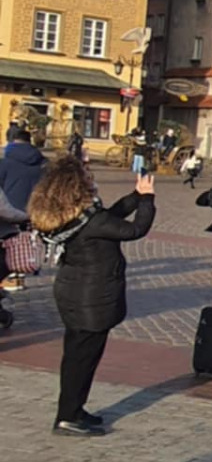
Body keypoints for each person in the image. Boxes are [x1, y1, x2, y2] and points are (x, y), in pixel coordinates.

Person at [29, 158, 156, 435]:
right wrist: (147, 200)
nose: (92, 180)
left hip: (73, 293)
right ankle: (67, 417)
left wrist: (135, 196)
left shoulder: (72, 216)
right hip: (91, 299)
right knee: (82, 359)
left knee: (76, 356)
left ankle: (74, 409)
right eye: (87, 177)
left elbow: (111, 216)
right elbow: (135, 229)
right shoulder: (91, 221)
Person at [0, 128, 46, 215]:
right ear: (29, 141)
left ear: (13, 141)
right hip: (37, 213)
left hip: (10, 214)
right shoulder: (44, 163)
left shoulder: (4, 163)